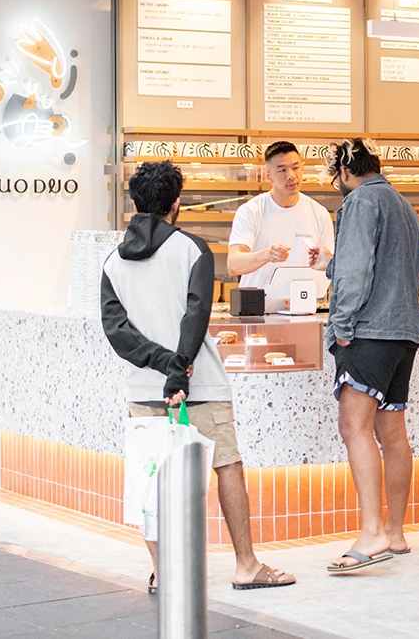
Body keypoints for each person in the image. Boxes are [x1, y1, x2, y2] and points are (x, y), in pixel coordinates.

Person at [101, 160, 295, 592]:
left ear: (135, 202)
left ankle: (163, 570)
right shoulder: (193, 250)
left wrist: (161, 364)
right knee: (227, 466)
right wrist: (179, 369)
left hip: (144, 387)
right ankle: (246, 565)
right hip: (200, 383)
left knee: (151, 477)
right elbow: (196, 314)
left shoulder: (113, 260)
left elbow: (116, 330)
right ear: (176, 203)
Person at [322, 139, 419, 574]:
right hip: (402, 332)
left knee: (353, 426)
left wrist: (342, 325)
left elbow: (355, 270)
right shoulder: (402, 204)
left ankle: (371, 532)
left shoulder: (361, 201)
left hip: (369, 330)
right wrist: (331, 262)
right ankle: (395, 533)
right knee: (392, 431)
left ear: (345, 172)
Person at [228, 140, 335, 307]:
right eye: (282, 170)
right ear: (267, 175)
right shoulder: (251, 211)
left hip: (301, 311)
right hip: (255, 311)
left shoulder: (319, 213)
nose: (291, 175)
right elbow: (233, 264)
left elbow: (328, 266)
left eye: (295, 167)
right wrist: (267, 255)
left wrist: (304, 294)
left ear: (303, 168)